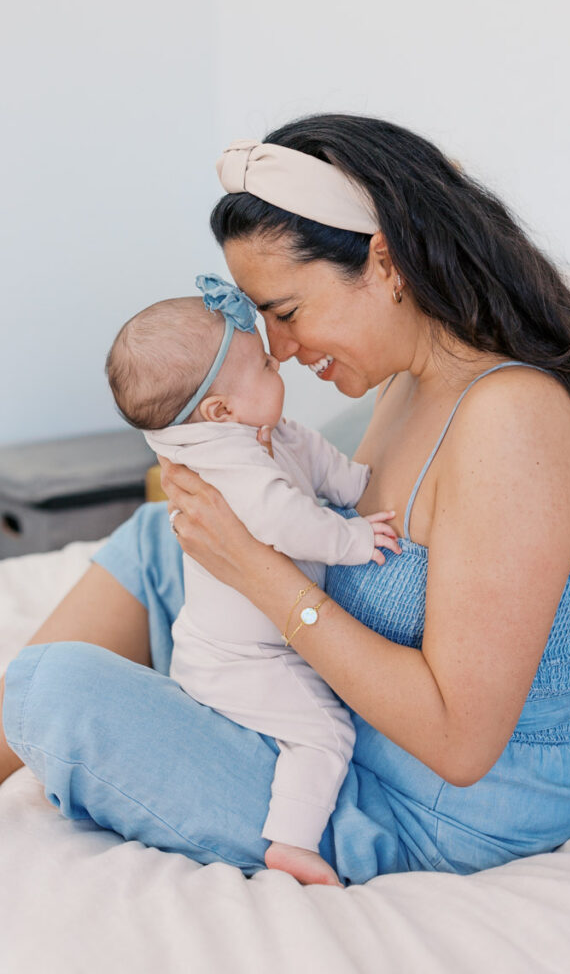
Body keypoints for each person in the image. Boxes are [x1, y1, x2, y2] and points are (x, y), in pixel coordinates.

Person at [1, 115, 570, 888]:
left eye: (287, 314)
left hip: (442, 811)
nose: (281, 352)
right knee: (162, 535)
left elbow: (461, 747)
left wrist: (259, 571)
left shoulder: (512, 421)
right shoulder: (406, 384)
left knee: (51, 688)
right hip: (350, 730)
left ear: (385, 262)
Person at [106, 273, 400, 886]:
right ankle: (290, 842)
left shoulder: (258, 431)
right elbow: (284, 519)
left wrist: (351, 485)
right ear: (220, 411)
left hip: (255, 645)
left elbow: (311, 456)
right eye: (266, 365)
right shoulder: (229, 464)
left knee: (312, 720)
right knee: (324, 730)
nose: (281, 365)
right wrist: (351, 537)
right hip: (241, 661)